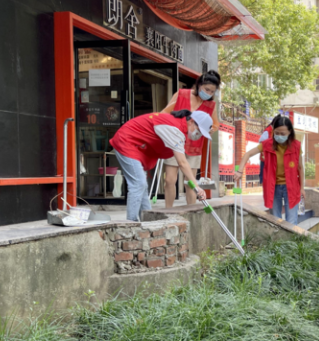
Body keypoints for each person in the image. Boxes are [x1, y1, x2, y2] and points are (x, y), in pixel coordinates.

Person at [110, 110, 211, 221]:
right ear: (191, 122)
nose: (199, 135)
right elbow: (182, 162)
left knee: (142, 186)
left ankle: (148, 221)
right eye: (199, 131)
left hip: (136, 146)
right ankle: (131, 223)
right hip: (127, 142)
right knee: (138, 184)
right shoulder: (174, 128)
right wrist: (197, 186)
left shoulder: (178, 126)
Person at [160, 70, 221, 208]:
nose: (209, 94)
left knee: (191, 183)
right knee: (169, 180)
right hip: (174, 141)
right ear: (199, 84)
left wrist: (211, 129)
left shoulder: (211, 105)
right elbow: (165, 113)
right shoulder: (181, 94)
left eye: (212, 92)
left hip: (195, 145)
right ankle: (168, 211)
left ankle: (190, 213)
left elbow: (216, 124)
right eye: (207, 89)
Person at [235, 116, 305, 225]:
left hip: (291, 186)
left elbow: (300, 168)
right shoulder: (266, 144)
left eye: (283, 134)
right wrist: (239, 171)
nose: (279, 136)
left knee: (291, 221)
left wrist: (302, 188)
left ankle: (290, 242)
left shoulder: (296, 146)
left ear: (290, 132)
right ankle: (276, 242)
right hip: (273, 187)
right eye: (277, 133)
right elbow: (248, 154)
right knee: (275, 220)